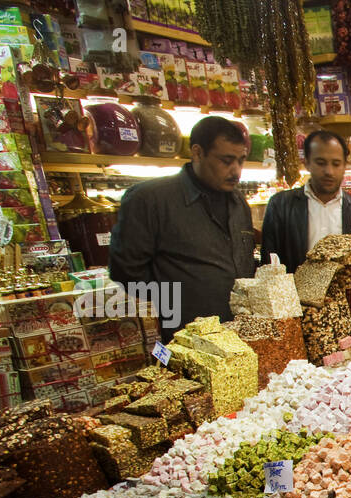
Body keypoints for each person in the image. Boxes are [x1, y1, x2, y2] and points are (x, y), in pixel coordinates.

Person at [109, 115, 257, 339]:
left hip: (238, 335)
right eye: (226, 160)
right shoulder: (150, 199)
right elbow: (126, 272)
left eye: (241, 160)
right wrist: (174, 304)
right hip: (184, 336)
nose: (236, 170)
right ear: (197, 153)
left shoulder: (238, 203)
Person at [260, 129, 351, 273]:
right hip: (296, 294)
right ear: (307, 163)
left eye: (336, 163)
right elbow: (268, 264)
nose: (329, 171)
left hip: (347, 294)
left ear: (344, 166)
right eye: (321, 163)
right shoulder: (280, 206)